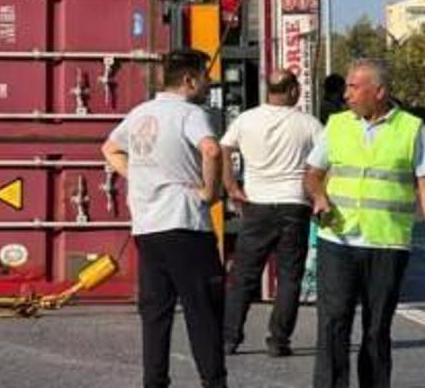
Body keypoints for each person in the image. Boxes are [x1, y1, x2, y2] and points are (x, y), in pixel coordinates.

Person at [304, 58, 425, 388]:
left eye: (355, 87)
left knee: (376, 328)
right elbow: (313, 174)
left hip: (386, 244)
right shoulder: (337, 124)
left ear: (379, 91)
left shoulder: (411, 129)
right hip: (338, 240)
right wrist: (319, 196)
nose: (347, 95)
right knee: (332, 323)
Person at [100, 49, 226, 388]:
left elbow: (109, 148)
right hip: (185, 223)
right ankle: (214, 382)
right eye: (205, 76)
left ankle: (154, 382)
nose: (208, 83)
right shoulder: (190, 113)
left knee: (155, 314)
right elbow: (212, 150)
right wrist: (209, 192)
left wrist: (138, 177)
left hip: (147, 226)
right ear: (189, 80)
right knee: (204, 311)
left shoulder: (140, 113)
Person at [221, 69, 324, 358]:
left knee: (243, 276)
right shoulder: (309, 123)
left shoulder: (246, 119)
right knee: (290, 277)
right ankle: (278, 340)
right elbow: (327, 159)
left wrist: (231, 186)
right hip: (295, 205)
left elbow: (224, 148)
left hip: (257, 206)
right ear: (292, 90)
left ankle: (230, 339)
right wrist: (319, 196)